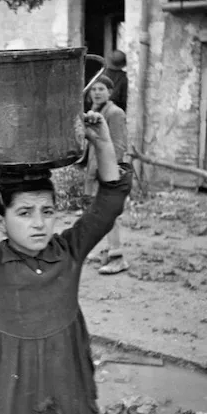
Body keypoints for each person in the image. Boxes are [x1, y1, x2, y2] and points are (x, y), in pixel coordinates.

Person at [0, 110, 131, 414]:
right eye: (25, 213)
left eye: (47, 211)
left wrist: (102, 142)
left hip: (63, 375)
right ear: (2, 221)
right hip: (5, 381)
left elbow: (111, 201)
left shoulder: (69, 251)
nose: (39, 223)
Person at [83, 74, 129, 274]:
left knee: (110, 214)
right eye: (93, 89)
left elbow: (118, 145)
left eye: (101, 89)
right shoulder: (93, 112)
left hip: (108, 172)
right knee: (98, 211)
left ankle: (117, 258)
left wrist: (110, 172)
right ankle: (106, 249)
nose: (96, 92)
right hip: (96, 170)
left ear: (110, 92)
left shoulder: (115, 112)